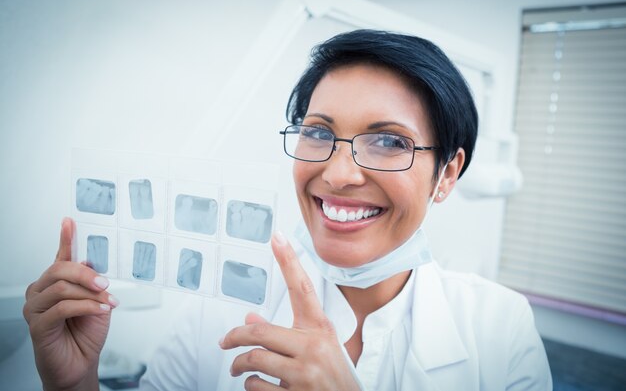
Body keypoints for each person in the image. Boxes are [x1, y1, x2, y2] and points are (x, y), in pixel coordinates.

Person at [24, 29, 552, 391]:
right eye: (319, 132)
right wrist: (74, 384)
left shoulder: (499, 330)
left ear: (448, 175)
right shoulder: (224, 300)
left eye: (389, 142)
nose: (340, 173)